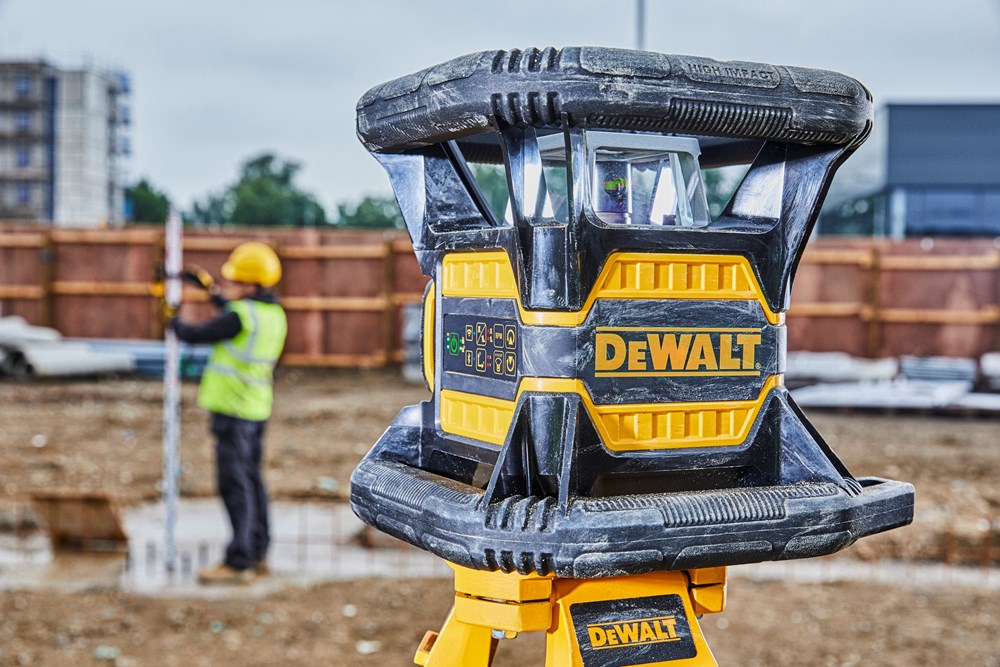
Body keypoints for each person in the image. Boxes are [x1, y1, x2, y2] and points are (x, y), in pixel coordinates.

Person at [171, 241, 288, 585]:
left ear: (251, 284)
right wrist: (210, 292)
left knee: (235, 485)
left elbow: (193, 333)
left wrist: (168, 314)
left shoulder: (241, 316)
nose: (230, 285)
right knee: (251, 480)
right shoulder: (272, 314)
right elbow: (233, 315)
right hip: (255, 408)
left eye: (236, 280)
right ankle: (257, 550)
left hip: (233, 411)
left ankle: (238, 562)